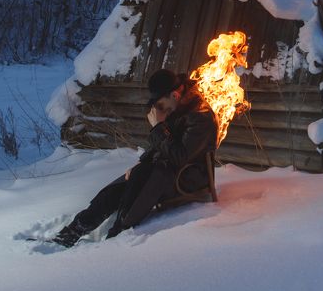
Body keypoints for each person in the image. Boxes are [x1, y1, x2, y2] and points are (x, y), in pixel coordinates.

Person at [50, 69, 218, 247]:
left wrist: (158, 128)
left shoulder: (201, 117)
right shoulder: (178, 108)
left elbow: (180, 157)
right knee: (116, 189)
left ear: (175, 95)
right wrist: (142, 161)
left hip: (188, 178)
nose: (160, 110)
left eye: (160, 105)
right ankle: (71, 232)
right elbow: (160, 147)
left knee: (137, 183)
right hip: (166, 171)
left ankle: (115, 237)